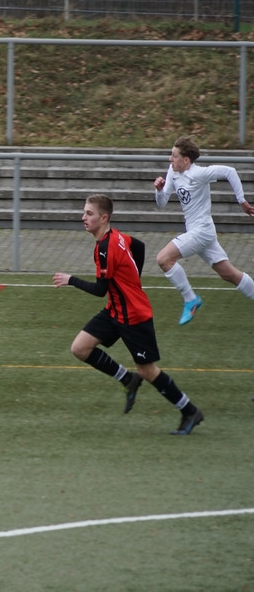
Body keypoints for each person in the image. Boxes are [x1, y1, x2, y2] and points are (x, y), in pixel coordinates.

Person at [53, 194, 204, 435]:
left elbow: (100, 290)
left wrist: (71, 280)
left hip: (134, 315)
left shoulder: (106, 248)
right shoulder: (117, 236)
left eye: (89, 214)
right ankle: (127, 379)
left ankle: (189, 411)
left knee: (148, 370)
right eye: (84, 213)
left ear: (104, 218)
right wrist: (132, 280)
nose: (83, 218)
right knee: (80, 348)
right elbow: (139, 246)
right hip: (115, 310)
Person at [154, 135, 254, 325]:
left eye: (174, 156)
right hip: (199, 232)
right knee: (230, 275)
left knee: (163, 259)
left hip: (201, 231)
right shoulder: (173, 171)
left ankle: (190, 299)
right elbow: (161, 203)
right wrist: (159, 190)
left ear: (186, 160)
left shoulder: (199, 174)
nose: (170, 159)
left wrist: (241, 201)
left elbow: (230, 171)